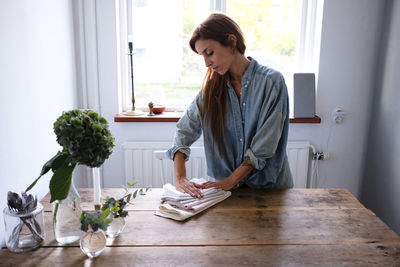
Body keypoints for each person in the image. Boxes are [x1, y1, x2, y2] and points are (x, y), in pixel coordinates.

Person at [167, 13, 293, 198]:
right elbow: (184, 131)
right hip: (225, 195)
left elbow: (263, 147)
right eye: (202, 55)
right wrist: (181, 178)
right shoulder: (210, 91)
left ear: (232, 42)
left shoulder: (271, 82)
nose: (206, 63)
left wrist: (229, 182)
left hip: (269, 192)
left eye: (210, 53)